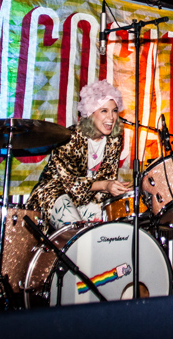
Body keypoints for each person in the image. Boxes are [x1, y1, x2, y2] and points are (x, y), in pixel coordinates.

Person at [27, 79, 130, 228]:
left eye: (114, 110)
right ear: (90, 113)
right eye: (104, 111)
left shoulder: (115, 139)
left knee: (111, 228)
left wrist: (117, 190)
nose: (111, 117)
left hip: (86, 200)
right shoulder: (69, 137)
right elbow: (69, 183)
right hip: (54, 194)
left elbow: (108, 178)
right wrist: (106, 185)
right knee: (76, 233)